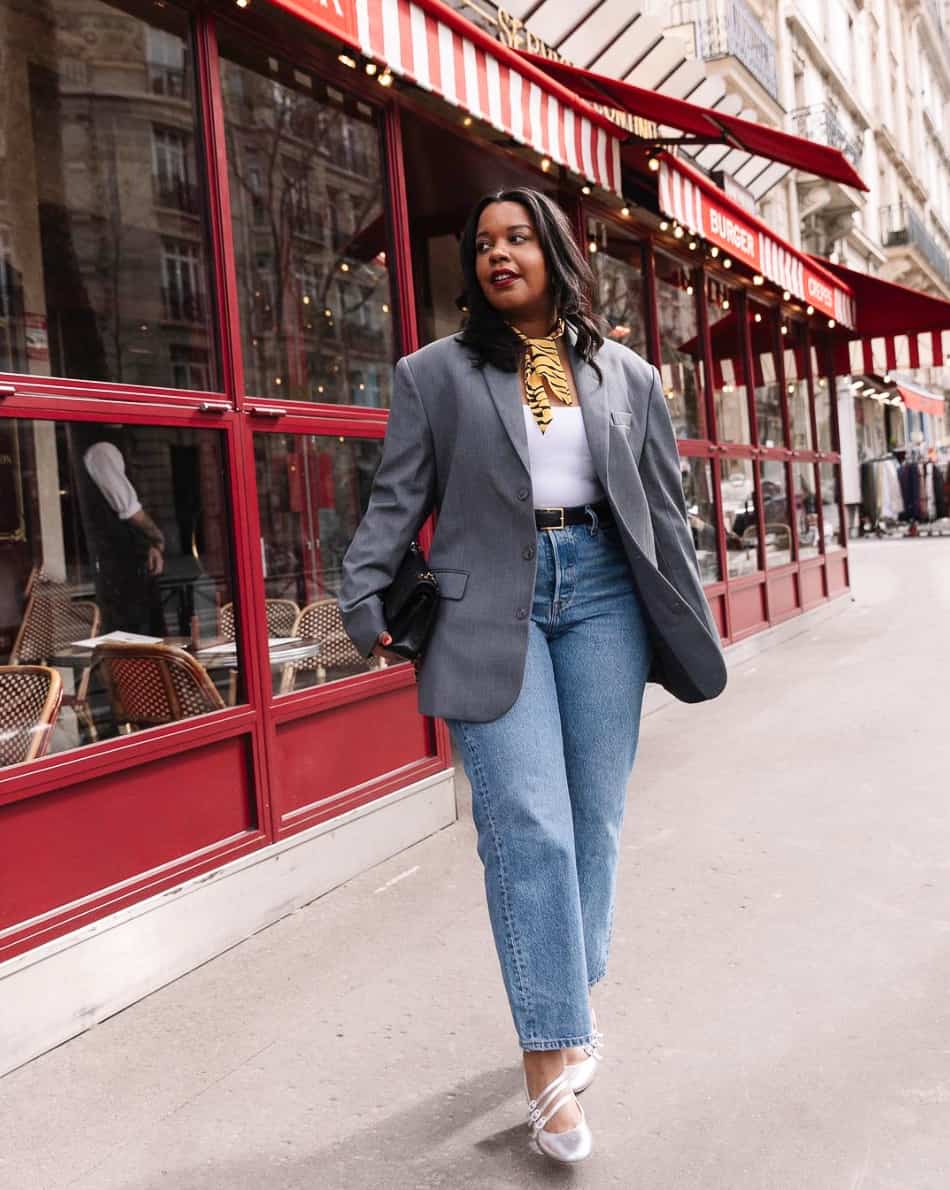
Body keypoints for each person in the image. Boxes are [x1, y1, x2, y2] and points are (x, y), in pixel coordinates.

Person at [340, 188, 727, 1164]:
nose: (496, 254)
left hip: (601, 596)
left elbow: (664, 512)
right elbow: (395, 503)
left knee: (592, 817)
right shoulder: (434, 375)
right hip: (481, 607)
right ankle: (546, 1062)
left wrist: (686, 619)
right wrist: (363, 592)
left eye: (517, 238)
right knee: (530, 825)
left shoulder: (628, 375)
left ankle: (566, 985)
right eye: (480, 244)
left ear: (555, 251)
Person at [72, 424, 166, 636]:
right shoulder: (102, 449)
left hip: (126, 562)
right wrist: (156, 536)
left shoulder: (108, 445)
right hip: (119, 566)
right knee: (133, 634)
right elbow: (130, 509)